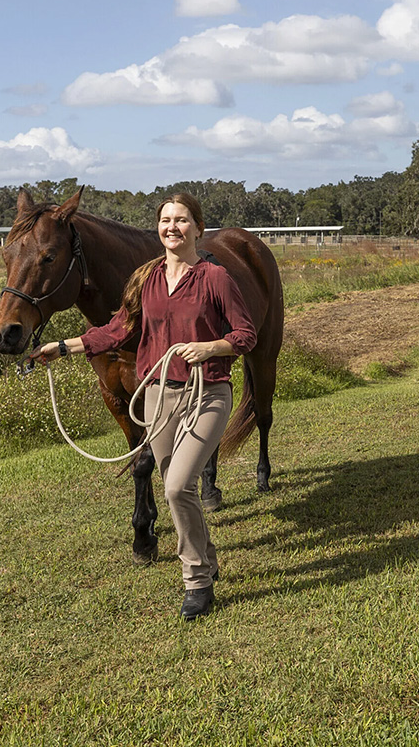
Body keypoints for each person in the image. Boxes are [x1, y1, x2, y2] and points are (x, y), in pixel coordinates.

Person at [31, 193, 257, 618]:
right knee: (178, 491)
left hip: (207, 392)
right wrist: (62, 347)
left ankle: (197, 581)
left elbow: (245, 335)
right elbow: (118, 329)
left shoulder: (215, 278)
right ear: (158, 228)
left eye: (182, 220)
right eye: (166, 220)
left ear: (198, 228)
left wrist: (210, 347)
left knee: (176, 487)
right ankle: (206, 557)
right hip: (158, 395)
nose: (173, 227)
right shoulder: (146, 278)